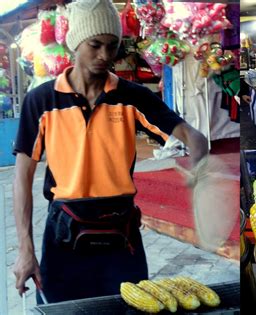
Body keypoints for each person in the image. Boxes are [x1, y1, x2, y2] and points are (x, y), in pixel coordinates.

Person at [12, 0, 208, 304]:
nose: (105, 55)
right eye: (95, 44)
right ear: (75, 42)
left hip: (121, 233)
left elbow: (187, 134)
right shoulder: (41, 101)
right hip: (63, 234)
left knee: (129, 309)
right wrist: (25, 249)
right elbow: (22, 176)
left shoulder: (131, 97)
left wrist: (198, 148)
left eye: (113, 45)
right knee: (63, 311)